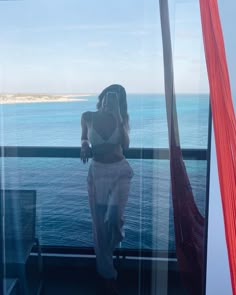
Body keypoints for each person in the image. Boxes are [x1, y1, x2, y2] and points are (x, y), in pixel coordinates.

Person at [80, 84, 133, 294]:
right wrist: (84, 144)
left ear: (120, 103)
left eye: (117, 98)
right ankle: (108, 277)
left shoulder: (122, 119)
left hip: (120, 173)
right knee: (100, 230)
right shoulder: (87, 116)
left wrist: (118, 117)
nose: (111, 100)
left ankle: (110, 249)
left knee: (115, 219)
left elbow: (126, 145)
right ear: (102, 97)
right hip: (98, 174)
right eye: (109, 96)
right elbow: (84, 136)